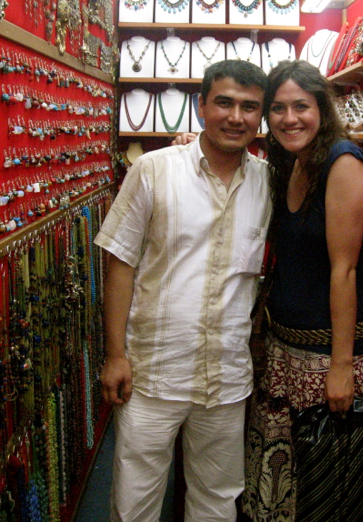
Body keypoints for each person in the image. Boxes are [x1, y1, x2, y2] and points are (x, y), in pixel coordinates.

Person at [94, 59, 272, 522]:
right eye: (224, 103)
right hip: (154, 373)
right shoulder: (154, 170)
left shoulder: (268, 183)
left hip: (226, 378)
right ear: (200, 106)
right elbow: (120, 263)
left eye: (250, 107)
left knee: (216, 501)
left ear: (261, 115)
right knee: (134, 503)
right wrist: (115, 355)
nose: (236, 117)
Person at [241, 60, 363, 522]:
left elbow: (344, 271)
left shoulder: (342, 162)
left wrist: (341, 368)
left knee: (328, 485)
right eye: (278, 108)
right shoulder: (290, 163)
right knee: (284, 484)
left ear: (321, 108)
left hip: (327, 356)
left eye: (301, 106)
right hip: (285, 352)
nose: (290, 118)